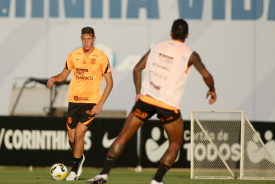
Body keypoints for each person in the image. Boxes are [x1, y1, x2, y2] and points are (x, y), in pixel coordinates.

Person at [87, 19, 217, 184]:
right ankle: (157, 179)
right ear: (187, 35)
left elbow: (137, 68)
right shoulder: (190, 54)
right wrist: (212, 90)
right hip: (168, 104)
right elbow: (206, 75)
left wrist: (138, 93)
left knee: (124, 136)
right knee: (175, 143)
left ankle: (103, 174)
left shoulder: (157, 47)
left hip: (146, 100)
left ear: (171, 33)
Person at [47, 27, 113, 181]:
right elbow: (64, 75)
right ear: (81, 38)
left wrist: (100, 103)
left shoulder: (101, 57)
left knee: (79, 134)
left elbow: (109, 83)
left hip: (91, 102)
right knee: (72, 139)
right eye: (83, 38)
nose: (86, 41)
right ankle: (80, 158)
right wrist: (54, 78)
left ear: (94, 39)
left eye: (89, 38)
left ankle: (74, 170)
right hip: (74, 102)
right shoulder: (74, 55)